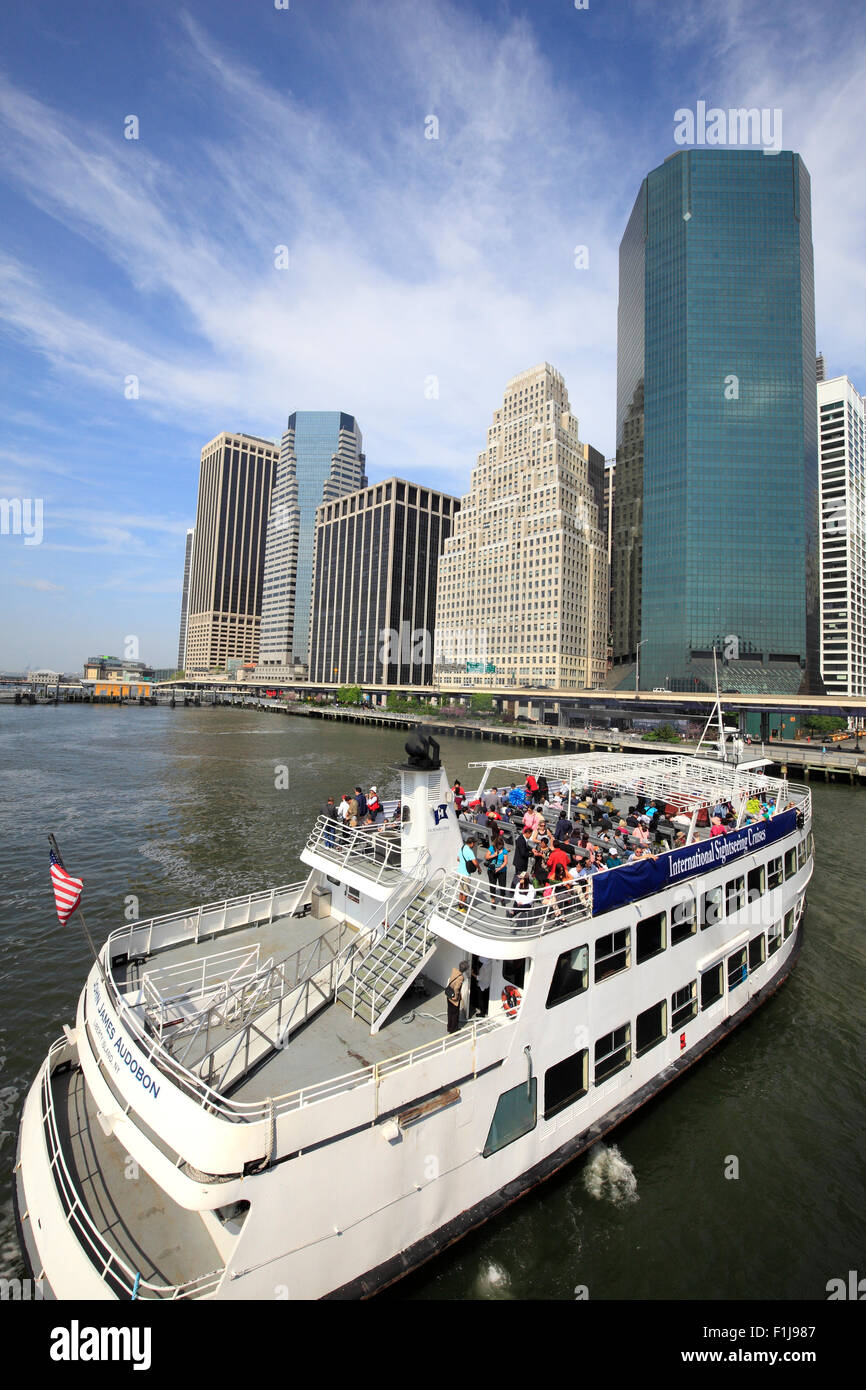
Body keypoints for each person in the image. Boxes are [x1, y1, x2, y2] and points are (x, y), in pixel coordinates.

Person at [484, 835, 508, 908]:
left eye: (501, 845)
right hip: (491, 870)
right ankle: (493, 900)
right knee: (492, 885)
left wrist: (499, 868)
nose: (500, 847)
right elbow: (486, 857)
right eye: (499, 845)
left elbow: (505, 862)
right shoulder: (491, 848)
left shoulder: (504, 851)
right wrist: (494, 855)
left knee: (502, 885)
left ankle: (502, 898)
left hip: (502, 871)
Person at [457, 837, 479, 909]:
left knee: (461, 890)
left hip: (459, 872)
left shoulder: (462, 847)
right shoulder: (470, 851)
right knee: (466, 892)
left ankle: (459, 904)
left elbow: (458, 859)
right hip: (465, 874)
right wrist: (479, 869)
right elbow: (475, 863)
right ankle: (461, 907)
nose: (474, 845)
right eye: (474, 844)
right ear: (472, 843)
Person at [446, 960, 468, 1033]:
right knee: (455, 1013)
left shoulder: (454, 970)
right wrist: (456, 997)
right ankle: (454, 1029)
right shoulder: (461, 977)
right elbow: (456, 988)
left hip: (449, 994)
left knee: (449, 1011)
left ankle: (449, 1027)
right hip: (453, 997)